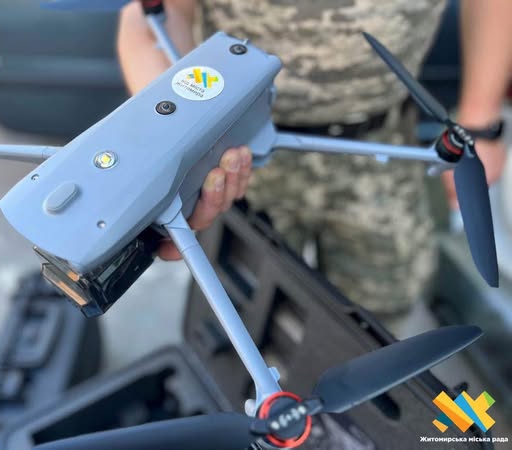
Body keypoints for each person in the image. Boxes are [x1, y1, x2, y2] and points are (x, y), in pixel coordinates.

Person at [117, 0, 508, 319]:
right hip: (238, 154)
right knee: (239, 303)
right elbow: (154, 14)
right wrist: (178, 137)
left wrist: (480, 121)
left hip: (381, 152)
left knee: (381, 317)